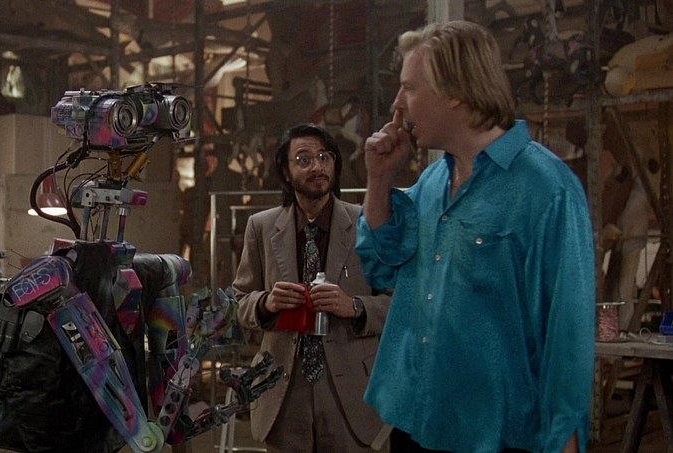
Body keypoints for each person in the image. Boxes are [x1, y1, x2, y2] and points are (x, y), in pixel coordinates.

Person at [358, 21, 595, 453]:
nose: (397, 105)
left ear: (452, 92)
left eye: (408, 88)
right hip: (417, 422)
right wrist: (379, 179)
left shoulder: (546, 190)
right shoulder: (433, 182)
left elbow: (567, 335)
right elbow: (382, 265)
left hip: (493, 435)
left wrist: (566, 439)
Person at [234, 123, 390, 452]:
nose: (317, 166)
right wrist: (265, 303)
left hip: (350, 390)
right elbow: (239, 302)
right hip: (283, 392)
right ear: (286, 172)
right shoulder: (261, 227)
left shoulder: (366, 223)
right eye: (304, 160)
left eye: (324, 157)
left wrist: (355, 306)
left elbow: (399, 302)